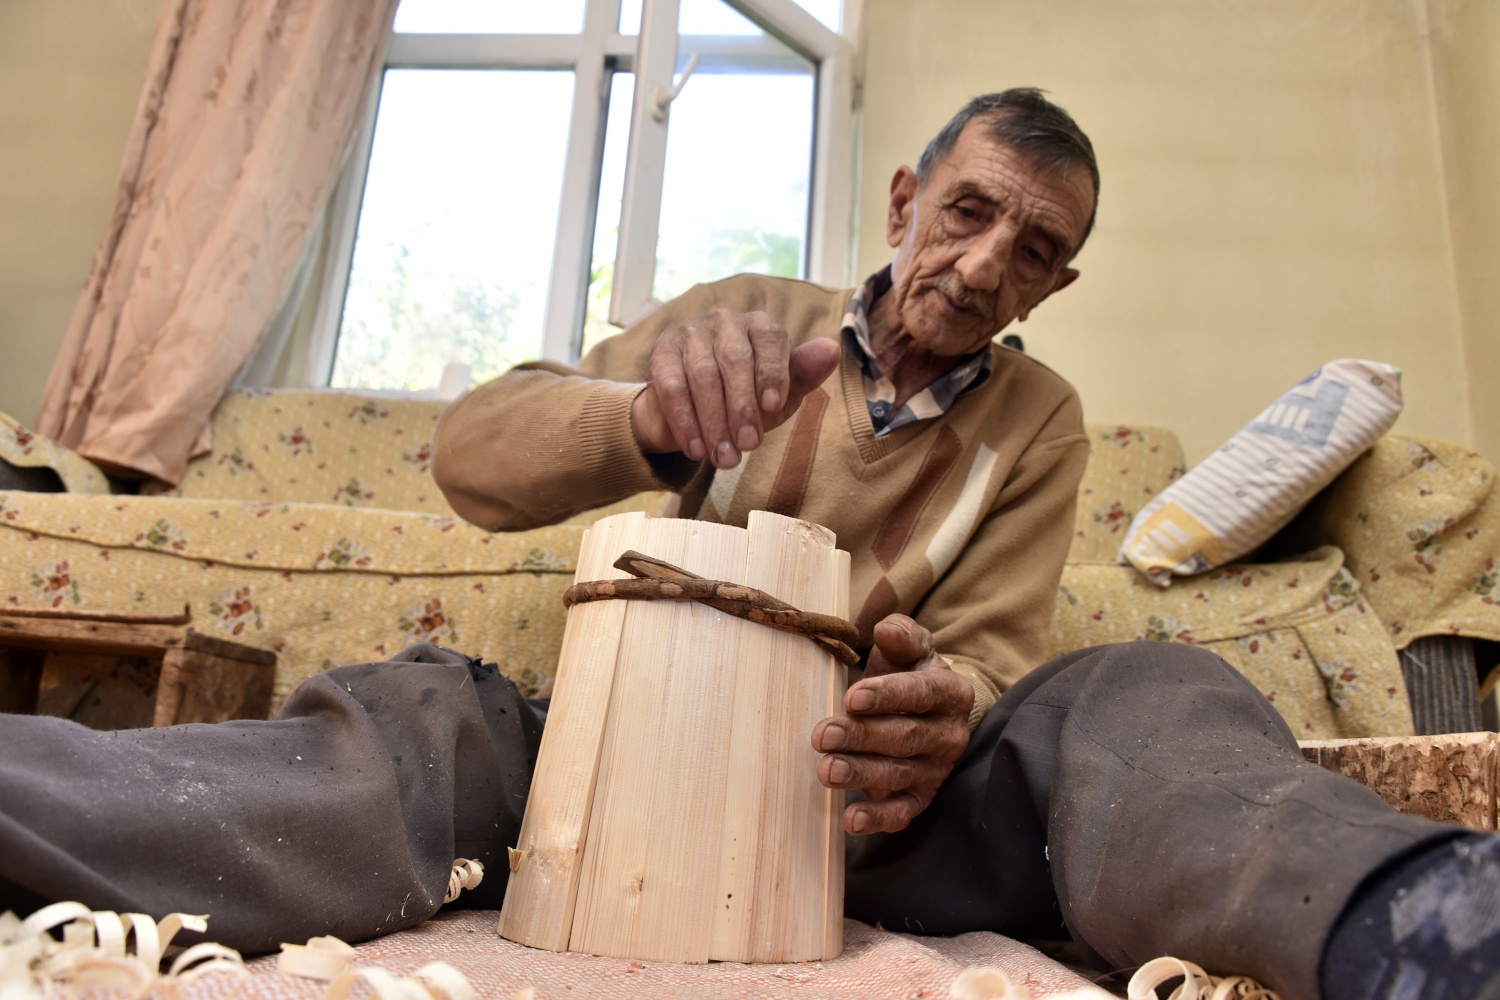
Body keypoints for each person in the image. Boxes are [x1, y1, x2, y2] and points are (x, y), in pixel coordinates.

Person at [1, 90, 1497, 1000]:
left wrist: (945, 707)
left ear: (1056, 281)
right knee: (433, 714)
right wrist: (645, 420)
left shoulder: (1042, 421)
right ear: (908, 201)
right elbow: (473, 459)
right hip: (624, 758)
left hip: (875, 812)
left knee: (1139, 697)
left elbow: (993, 656)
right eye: (969, 212)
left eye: (1034, 249)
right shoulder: (754, 318)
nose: (984, 266)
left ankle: (1412, 927)